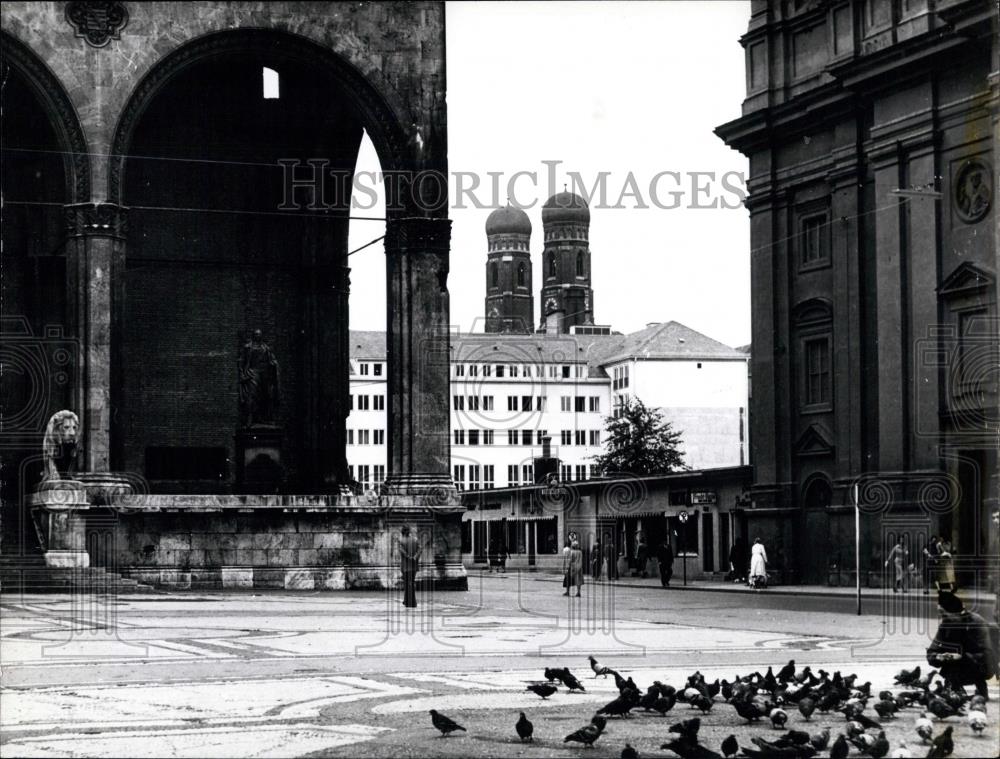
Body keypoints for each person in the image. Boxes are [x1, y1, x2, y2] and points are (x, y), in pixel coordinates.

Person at [927, 591, 1000, 700]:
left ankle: (980, 690)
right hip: (956, 666)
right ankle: (954, 689)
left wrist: (963, 656)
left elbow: (988, 653)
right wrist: (938, 657)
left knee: (963, 662)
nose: (942, 616)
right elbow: (932, 651)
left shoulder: (976, 622)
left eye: (944, 613)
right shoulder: (945, 625)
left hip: (980, 666)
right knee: (951, 665)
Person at [399, 525, 420, 608]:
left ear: (403, 532)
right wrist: (415, 557)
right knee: (411, 583)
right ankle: (408, 601)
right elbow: (420, 549)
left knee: (407, 584)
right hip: (414, 565)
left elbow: (402, 551)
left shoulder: (401, 541)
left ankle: (410, 602)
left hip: (405, 566)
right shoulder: (415, 540)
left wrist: (408, 557)